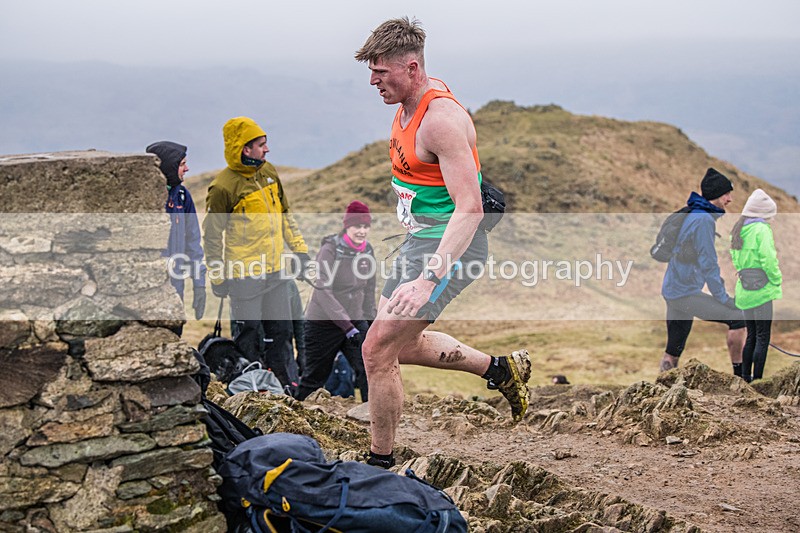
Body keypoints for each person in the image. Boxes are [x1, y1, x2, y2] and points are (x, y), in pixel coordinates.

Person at [355, 17, 531, 468]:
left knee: (376, 350)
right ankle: (499, 369)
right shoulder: (411, 99)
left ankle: (381, 463)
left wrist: (428, 279)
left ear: (412, 68)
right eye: (371, 72)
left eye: (381, 73)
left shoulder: (442, 122)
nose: (373, 82)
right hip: (418, 242)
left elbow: (469, 207)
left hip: (449, 249)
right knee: (402, 345)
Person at [203, 117, 311, 389]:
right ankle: (249, 391)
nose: (267, 150)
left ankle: (285, 389)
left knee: (281, 332)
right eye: (261, 145)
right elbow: (213, 237)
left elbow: (285, 214)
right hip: (244, 276)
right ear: (244, 148)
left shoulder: (269, 173)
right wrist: (217, 277)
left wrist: (300, 251)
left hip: (275, 270)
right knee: (248, 335)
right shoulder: (223, 187)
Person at [660, 168, 746, 374]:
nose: (730, 199)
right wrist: (724, 299)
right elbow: (709, 265)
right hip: (684, 293)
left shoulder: (694, 214)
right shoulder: (703, 221)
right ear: (716, 195)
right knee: (738, 318)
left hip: (674, 291)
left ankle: (662, 389)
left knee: (673, 349)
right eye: (726, 194)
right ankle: (742, 378)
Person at [294, 200, 376, 402]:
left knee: (369, 371)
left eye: (366, 226)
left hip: (355, 322)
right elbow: (323, 292)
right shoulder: (329, 250)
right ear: (347, 226)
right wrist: (347, 327)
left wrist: (372, 323)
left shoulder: (368, 252)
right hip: (322, 324)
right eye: (358, 226)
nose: (362, 231)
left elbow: (369, 290)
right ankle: (294, 421)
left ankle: (372, 418)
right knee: (314, 377)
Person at [145, 141, 206, 332]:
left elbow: (193, 243)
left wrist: (199, 285)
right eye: (181, 164)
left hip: (176, 290)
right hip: (150, 291)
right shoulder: (148, 199)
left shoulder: (182, 196)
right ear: (168, 167)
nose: (187, 168)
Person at [730, 189, 782, 382]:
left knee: (751, 335)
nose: (771, 220)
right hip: (762, 290)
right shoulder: (761, 230)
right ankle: (759, 381)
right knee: (763, 337)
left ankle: (745, 379)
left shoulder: (738, 229)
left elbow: (736, 261)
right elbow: (768, 259)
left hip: (745, 290)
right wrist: (776, 279)